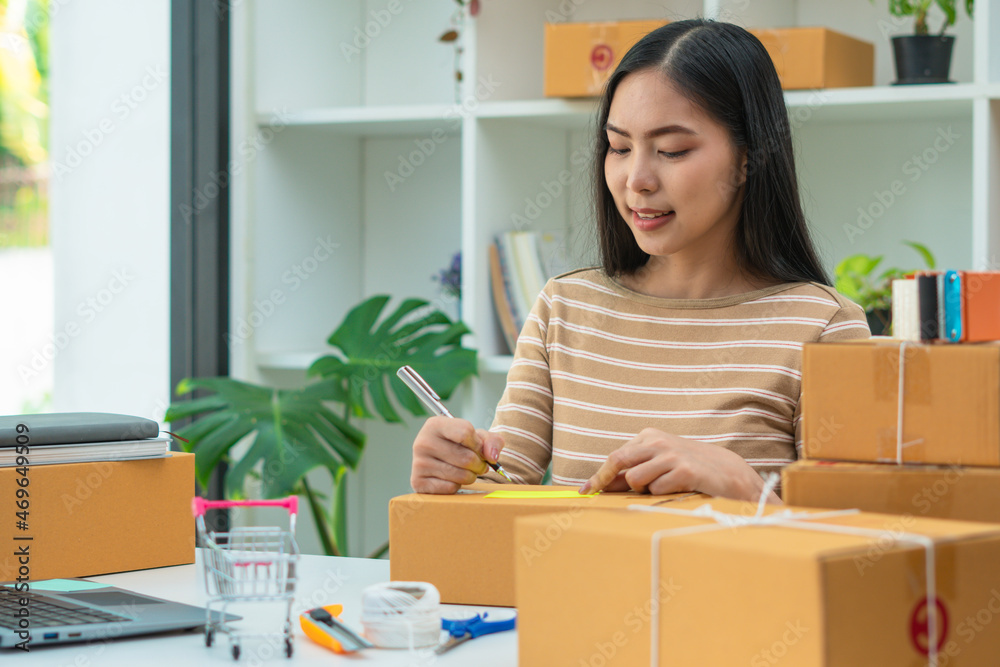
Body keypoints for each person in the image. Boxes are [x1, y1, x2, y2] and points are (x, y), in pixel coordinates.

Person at [409, 18, 870, 502]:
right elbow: (498, 495)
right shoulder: (564, 307)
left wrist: (742, 485)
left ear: (747, 157)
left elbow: (853, 552)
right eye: (620, 147)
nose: (636, 179)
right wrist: (451, 473)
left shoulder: (824, 328)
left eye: (671, 150)